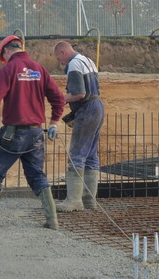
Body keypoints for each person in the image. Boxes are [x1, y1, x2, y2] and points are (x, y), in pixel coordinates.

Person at [0, 35, 64, 230]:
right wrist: (54, 123)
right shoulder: (39, 69)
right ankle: (52, 220)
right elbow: (58, 98)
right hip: (36, 133)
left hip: (12, 135)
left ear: (6, 51)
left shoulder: (8, 69)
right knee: (37, 175)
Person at [53, 41, 104, 212]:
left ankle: (74, 200)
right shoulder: (87, 60)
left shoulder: (74, 64)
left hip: (87, 110)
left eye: (58, 57)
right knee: (90, 155)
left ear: (63, 51)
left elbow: (78, 94)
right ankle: (89, 201)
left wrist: (59, 99)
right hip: (97, 107)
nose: (59, 61)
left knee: (76, 155)